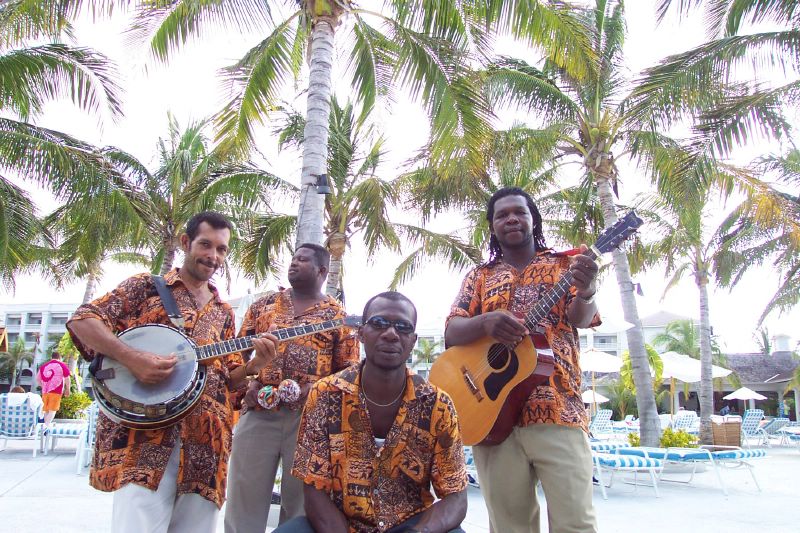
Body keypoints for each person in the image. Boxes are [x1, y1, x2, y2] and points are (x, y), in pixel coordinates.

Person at [66, 211, 278, 533]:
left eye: (221, 249)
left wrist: (254, 366)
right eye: (206, 245)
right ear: (185, 242)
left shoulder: (223, 313)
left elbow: (230, 378)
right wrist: (132, 358)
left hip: (206, 448)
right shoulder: (146, 287)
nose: (213, 256)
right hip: (145, 439)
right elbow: (83, 321)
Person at [444, 187, 601, 533]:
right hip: (491, 414)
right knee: (508, 526)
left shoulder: (564, 266)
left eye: (520, 212)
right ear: (492, 226)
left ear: (534, 219)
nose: (511, 218)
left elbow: (581, 317)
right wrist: (486, 322)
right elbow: (452, 331)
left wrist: (587, 290)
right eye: (502, 214)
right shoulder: (479, 277)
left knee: (576, 523)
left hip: (558, 410)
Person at [275, 291, 468, 533]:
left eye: (403, 327)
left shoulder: (437, 405)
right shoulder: (325, 394)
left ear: (413, 341)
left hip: (409, 524)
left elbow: (456, 498)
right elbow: (314, 489)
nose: (391, 334)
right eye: (379, 323)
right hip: (340, 523)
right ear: (361, 334)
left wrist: (421, 532)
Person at [224, 243, 360, 533]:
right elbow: (235, 356)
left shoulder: (337, 315)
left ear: (322, 271)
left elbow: (349, 372)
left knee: (299, 503)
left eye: (303, 260)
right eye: (293, 258)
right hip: (258, 412)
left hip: (309, 421)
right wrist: (246, 384)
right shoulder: (264, 306)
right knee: (243, 494)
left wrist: (317, 389)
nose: (294, 263)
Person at [36, 351, 71, 430]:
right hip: (56, 391)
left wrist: (43, 386)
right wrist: (67, 389)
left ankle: (44, 427)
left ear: (51, 357)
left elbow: (37, 379)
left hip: (45, 391)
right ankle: (46, 427)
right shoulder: (62, 365)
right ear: (60, 357)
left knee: (46, 410)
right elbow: (67, 378)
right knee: (53, 409)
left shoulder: (44, 366)